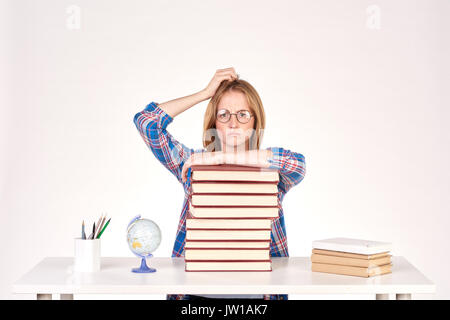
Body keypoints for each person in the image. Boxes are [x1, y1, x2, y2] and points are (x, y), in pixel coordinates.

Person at [133, 67, 306, 300]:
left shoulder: (270, 172)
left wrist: (223, 156)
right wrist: (205, 93)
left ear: (255, 122)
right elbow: (147, 123)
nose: (233, 123)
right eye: (224, 114)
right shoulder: (194, 164)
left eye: (243, 114)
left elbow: (298, 164)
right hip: (196, 297)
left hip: (258, 297)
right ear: (214, 122)